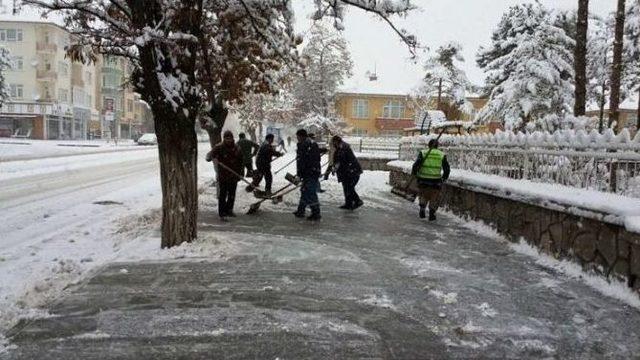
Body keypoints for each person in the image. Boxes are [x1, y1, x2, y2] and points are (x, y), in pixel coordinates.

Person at [206, 131, 243, 219]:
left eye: (230, 138)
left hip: (234, 175)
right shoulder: (219, 147)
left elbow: (241, 161)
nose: (228, 140)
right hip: (223, 175)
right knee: (223, 195)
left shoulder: (237, 148)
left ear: (232, 138)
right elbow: (208, 156)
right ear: (224, 138)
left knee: (232, 195)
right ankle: (222, 213)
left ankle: (229, 210)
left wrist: (241, 173)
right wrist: (211, 157)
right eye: (227, 138)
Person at [411, 138, 450, 221]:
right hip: (436, 180)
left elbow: (416, 165)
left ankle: (422, 207)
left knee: (423, 194)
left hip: (423, 179)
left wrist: (415, 174)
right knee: (434, 197)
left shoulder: (423, 152)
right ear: (437, 146)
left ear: (428, 145)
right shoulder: (441, 154)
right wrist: (444, 178)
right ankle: (432, 212)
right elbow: (447, 169)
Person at [327, 135, 363, 210]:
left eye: (333, 142)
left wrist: (335, 167)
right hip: (347, 172)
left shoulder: (343, 148)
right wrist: (334, 167)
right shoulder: (340, 147)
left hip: (352, 172)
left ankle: (358, 201)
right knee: (346, 187)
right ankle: (348, 203)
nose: (332, 144)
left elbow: (341, 160)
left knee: (349, 187)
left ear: (336, 141)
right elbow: (337, 160)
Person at [293, 129, 322, 221]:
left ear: (302, 136)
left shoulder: (307, 145)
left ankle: (316, 213)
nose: (297, 139)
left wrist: (300, 174)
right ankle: (300, 210)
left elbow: (304, 162)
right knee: (305, 191)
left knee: (310, 192)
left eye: (298, 137)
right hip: (309, 172)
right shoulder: (309, 144)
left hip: (310, 173)